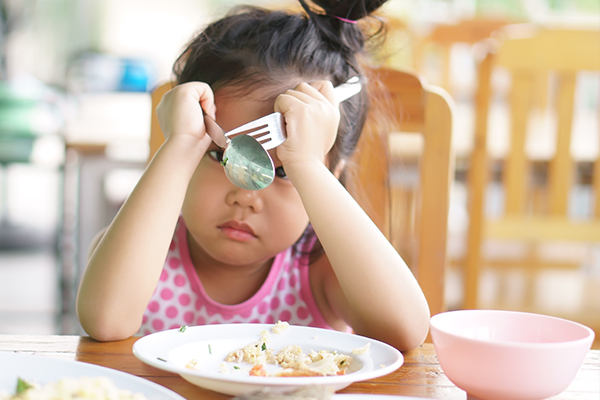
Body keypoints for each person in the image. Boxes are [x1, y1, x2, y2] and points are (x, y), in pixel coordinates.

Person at [76, 0, 430, 351]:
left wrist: (307, 166)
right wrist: (180, 144)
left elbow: (402, 333)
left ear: (332, 175)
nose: (244, 195)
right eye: (220, 155)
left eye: (281, 172)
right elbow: (106, 321)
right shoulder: (144, 248)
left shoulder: (320, 267)